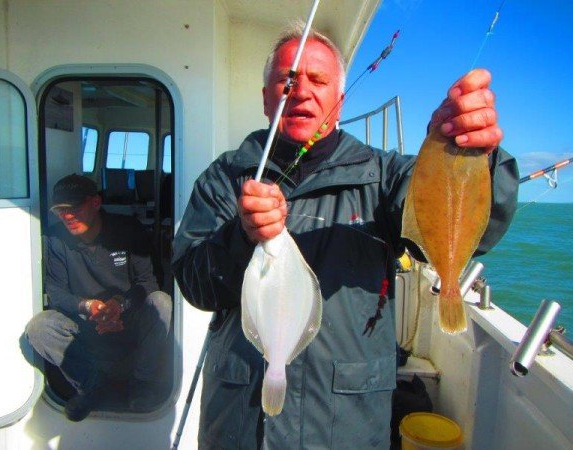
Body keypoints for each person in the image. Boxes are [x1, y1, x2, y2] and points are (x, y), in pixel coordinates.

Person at [172, 26, 518, 449]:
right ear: (266, 98)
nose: (301, 92)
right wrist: (241, 238)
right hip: (238, 425)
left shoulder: (385, 177)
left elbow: (464, 224)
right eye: (287, 79)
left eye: (318, 81)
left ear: (340, 98)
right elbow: (193, 281)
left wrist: (473, 154)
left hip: (343, 428)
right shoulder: (225, 178)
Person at [25, 174, 172, 422]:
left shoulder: (128, 230)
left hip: (129, 319)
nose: (67, 215)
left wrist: (120, 305)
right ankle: (91, 385)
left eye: (74, 208)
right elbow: (57, 292)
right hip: (85, 325)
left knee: (162, 303)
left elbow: (147, 283)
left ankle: (143, 383)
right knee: (39, 327)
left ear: (95, 203)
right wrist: (88, 306)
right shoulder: (54, 238)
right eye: (61, 210)